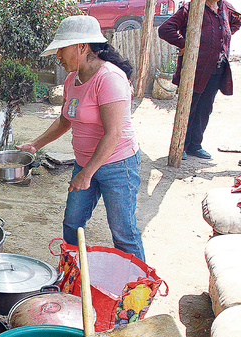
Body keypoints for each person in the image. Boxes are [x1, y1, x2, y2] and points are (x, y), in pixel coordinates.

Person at [16, 15, 146, 261]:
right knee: (72, 223)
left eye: (62, 49)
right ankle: (73, 274)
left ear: (82, 47)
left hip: (119, 166)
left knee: (123, 232)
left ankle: (138, 291)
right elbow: (65, 120)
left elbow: (113, 134)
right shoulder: (71, 80)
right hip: (84, 162)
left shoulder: (110, 79)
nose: (58, 56)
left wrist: (87, 173)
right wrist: (34, 145)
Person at [159, 0, 241, 161]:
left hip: (217, 68)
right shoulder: (191, 8)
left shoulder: (226, 7)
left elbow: (237, 21)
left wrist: (224, 36)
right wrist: (186, 44)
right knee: (189, 107)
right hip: (195, 68)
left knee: (205, 108)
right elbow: (165, 29)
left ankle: (195, 145)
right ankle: (180, 146)